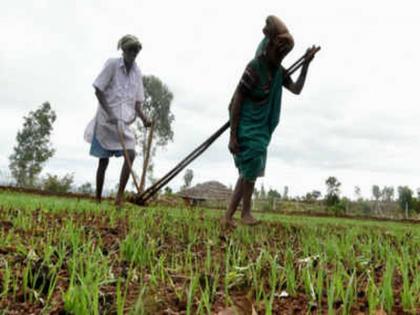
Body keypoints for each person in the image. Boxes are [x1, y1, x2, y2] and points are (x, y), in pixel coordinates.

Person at [222, 16, 317, 226]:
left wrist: (306, 64)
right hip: (246, 125)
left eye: (283, 55)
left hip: (262, 128)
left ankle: (227, 217)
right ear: (269, 48)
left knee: (249, 170)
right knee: (252, 162)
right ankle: (245, 212)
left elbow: (296, 89)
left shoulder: (279, 72)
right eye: (278, 53)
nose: (280, 58)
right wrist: (233, 134)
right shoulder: (254, 68)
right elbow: (237, 101)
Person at [84, 34, 151, 207]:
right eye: (130, 50)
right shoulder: (112, 64)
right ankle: (98, 199)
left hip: (124, 122)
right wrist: (110, 113)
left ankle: (119, 198)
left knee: (131, 153)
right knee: (103, 160)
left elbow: (137, 102)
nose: (133, 53)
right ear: (123, 50)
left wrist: (144, 119)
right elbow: (98, 90)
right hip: (106, 120)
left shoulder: (137, 73)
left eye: (136, 50)